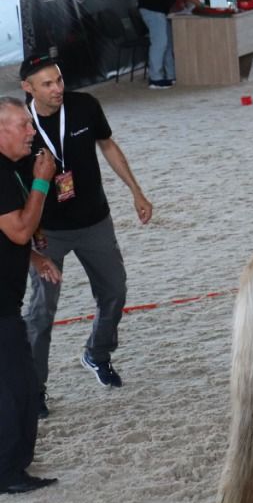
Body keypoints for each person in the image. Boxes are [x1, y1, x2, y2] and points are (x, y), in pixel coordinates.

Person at [19, 54, 153, 408]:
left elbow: (107, 145)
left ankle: (98, 353)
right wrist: (29, 234)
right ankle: (35, 388)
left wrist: (135, 190)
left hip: (95, 220)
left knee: (115, 292)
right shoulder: (20, 125)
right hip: (47, 232)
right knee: (41, 312)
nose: (57, 89)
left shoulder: (85, 106)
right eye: (47, 84)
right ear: (27, 88)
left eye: (59, 80)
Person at [0, 96, 60, 492]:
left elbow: (13, 238)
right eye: (23, 125)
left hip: (7, 303)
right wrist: (42, 180)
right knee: (16, 390)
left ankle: (13, 468)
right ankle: (7, 473)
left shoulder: (9, 169)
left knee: (20, 385)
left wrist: (34, 259)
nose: (31, 132)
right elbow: (20, 229)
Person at [135, 0, 207, 88]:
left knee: (168, 43)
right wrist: (202, 6)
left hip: (160, 10)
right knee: (160, 42)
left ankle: (171, 75)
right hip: (152, 8)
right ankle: (155, 79)